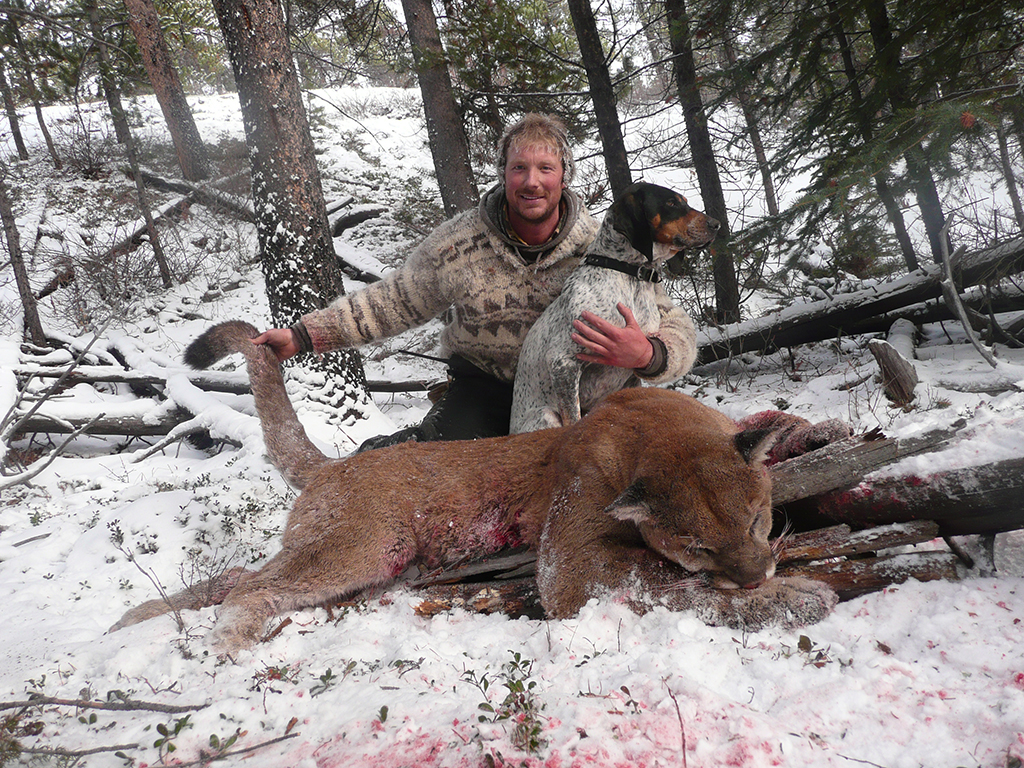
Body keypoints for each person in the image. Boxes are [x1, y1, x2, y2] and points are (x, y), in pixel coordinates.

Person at [253, 113, 697, 450]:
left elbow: (675, 323)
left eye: (546, 168)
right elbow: (393, 301)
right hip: (483, 389)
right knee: (433, 483)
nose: (532, 182)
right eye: (519, 168)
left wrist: (649, 354)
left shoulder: (604, 245)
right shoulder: (457, 244)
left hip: (591, 397)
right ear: (503, 173)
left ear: (564, 176)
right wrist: (304, 336)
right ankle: (393, 454)